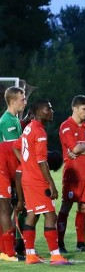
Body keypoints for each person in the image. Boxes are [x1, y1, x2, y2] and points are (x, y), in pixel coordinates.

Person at [12, 99, 71, 265]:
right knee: (50, 215)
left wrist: (25, 164)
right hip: (37, 181)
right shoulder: (39, 131)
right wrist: (51, 183)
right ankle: (55, 255)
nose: (51, 111)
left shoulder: (29, 128)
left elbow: (16, 146)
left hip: (27, 179)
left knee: (32, 215)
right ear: (38, 112)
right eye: (48, 109)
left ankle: (30, 255)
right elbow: (41, 161)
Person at [56, 95, 85, 253]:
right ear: (74, 108)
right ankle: (59, 243)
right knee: (66, 206)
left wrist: (81, 147)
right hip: (72, 174)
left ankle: (81, 244)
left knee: (84, 208)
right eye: (84, 108)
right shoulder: (66, 126)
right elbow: (73, 149)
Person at [0, 86, 27, 258]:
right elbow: (13, 151)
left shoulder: (15, 120)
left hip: (9, 169)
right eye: (22, 99)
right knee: (4, 208)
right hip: (2, 169)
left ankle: (5, 249)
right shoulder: (7, 121)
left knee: (7, 209)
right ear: (12, 101)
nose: (25, 101)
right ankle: (7, 252)